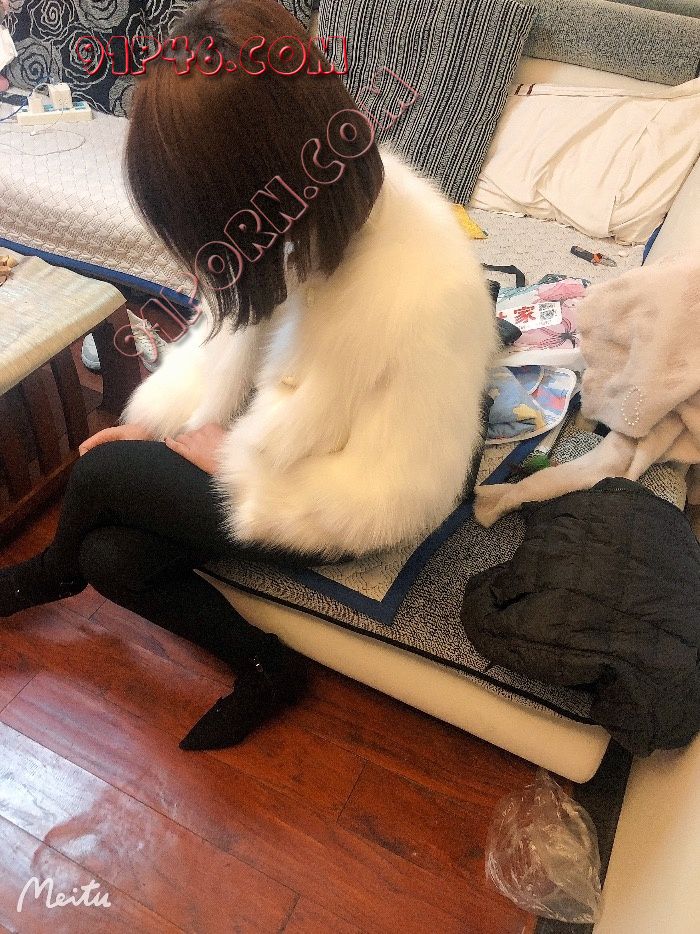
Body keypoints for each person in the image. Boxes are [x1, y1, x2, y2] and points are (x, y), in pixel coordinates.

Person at [0, 0, 496, 749]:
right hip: (286, 449)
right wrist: (163, 429)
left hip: (348, 501)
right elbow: (229, 337)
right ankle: (267, 665)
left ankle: (49, 573)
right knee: (112, 556)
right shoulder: (309, 207)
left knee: (102, 478)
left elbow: (401, 496)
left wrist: (224, 462)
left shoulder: (419, 297)